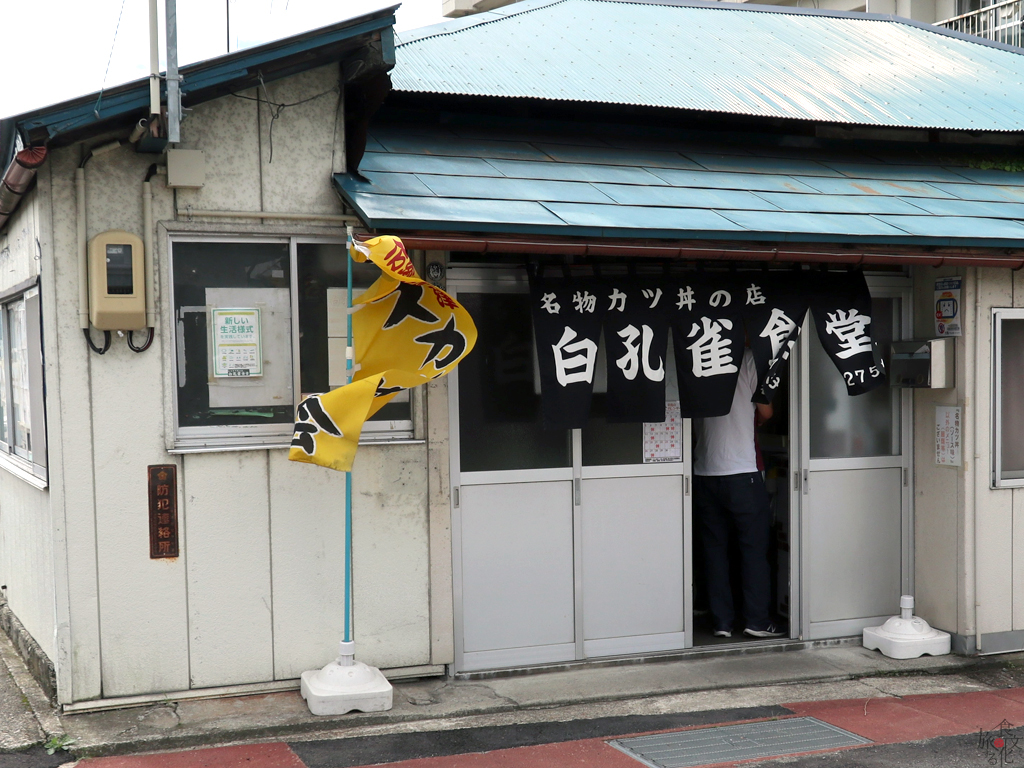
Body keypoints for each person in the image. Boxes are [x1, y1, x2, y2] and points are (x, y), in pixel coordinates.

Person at [693, 346, 785, 639]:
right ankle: (757, 620)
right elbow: (766, 411)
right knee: (754, 550)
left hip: (705, 470)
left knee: (714, 550)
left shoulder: (696, 353)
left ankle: (721, 622)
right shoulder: (749, 359)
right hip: (742, 472)